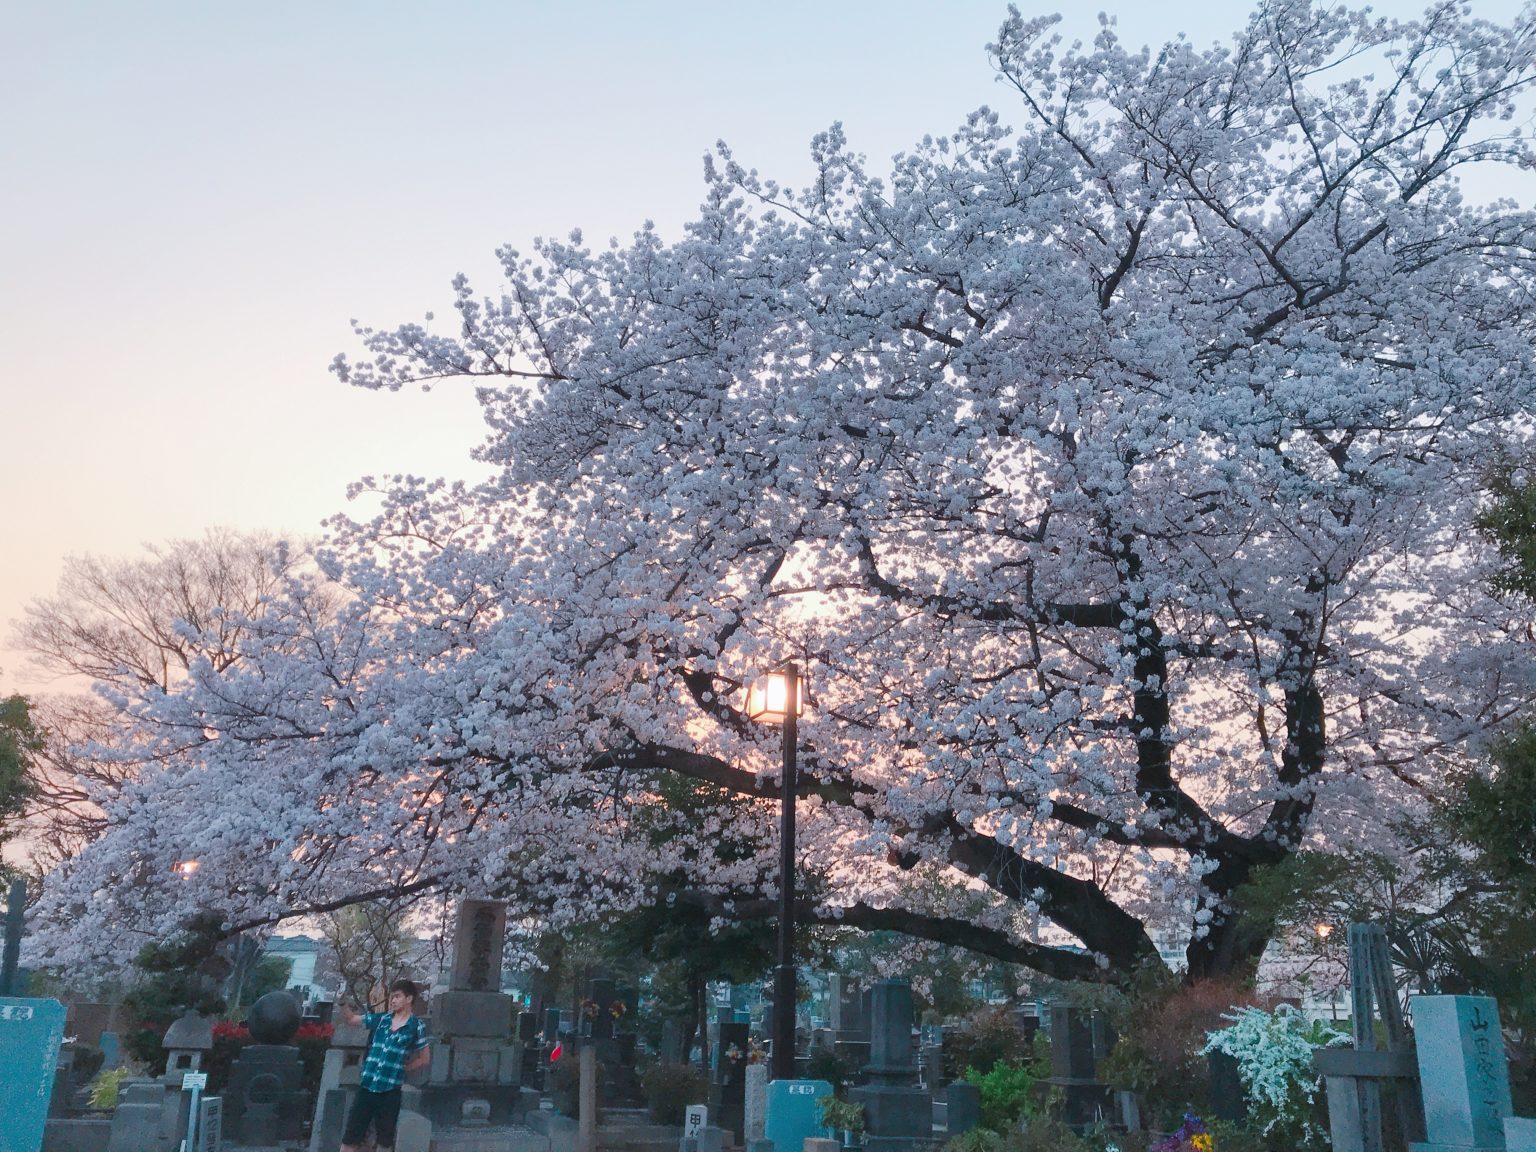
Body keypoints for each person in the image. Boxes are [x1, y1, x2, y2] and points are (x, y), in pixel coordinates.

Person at [338, 978, 431, 1152]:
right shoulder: (381, 1019)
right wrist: (343, 1003)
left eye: (397, 996)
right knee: (351, 1135)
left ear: (409, 999)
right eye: (392, 997)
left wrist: (403, 1069)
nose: (393, 1001)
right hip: (367, 1085)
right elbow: (352, 1020)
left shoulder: (416, 1026)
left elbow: (424, 1057)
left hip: (390, 1091)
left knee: (385, 1140)